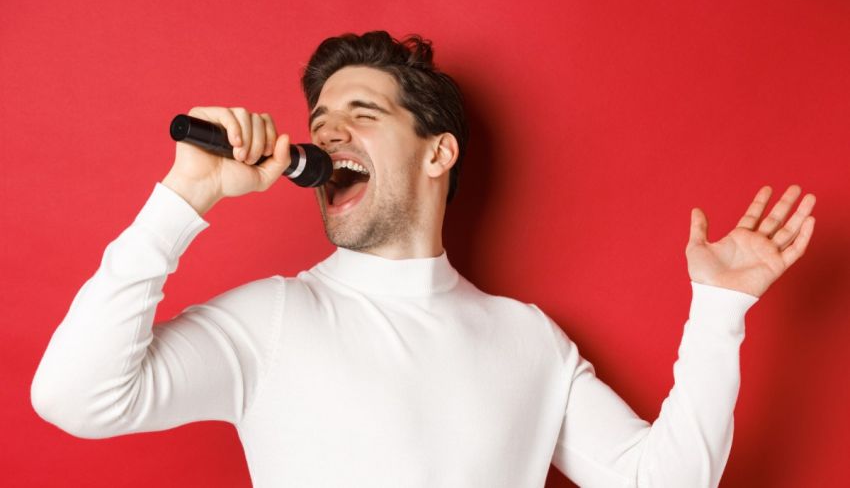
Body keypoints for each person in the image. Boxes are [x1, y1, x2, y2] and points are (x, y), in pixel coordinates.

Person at [31, 30, 816, 487]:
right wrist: (184, 195)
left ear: (438, 152)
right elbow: (74, 396)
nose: (329, 133)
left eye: (361, 113)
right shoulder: (271, 317)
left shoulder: (528, 339)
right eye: (321, 118)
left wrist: (719, 311)